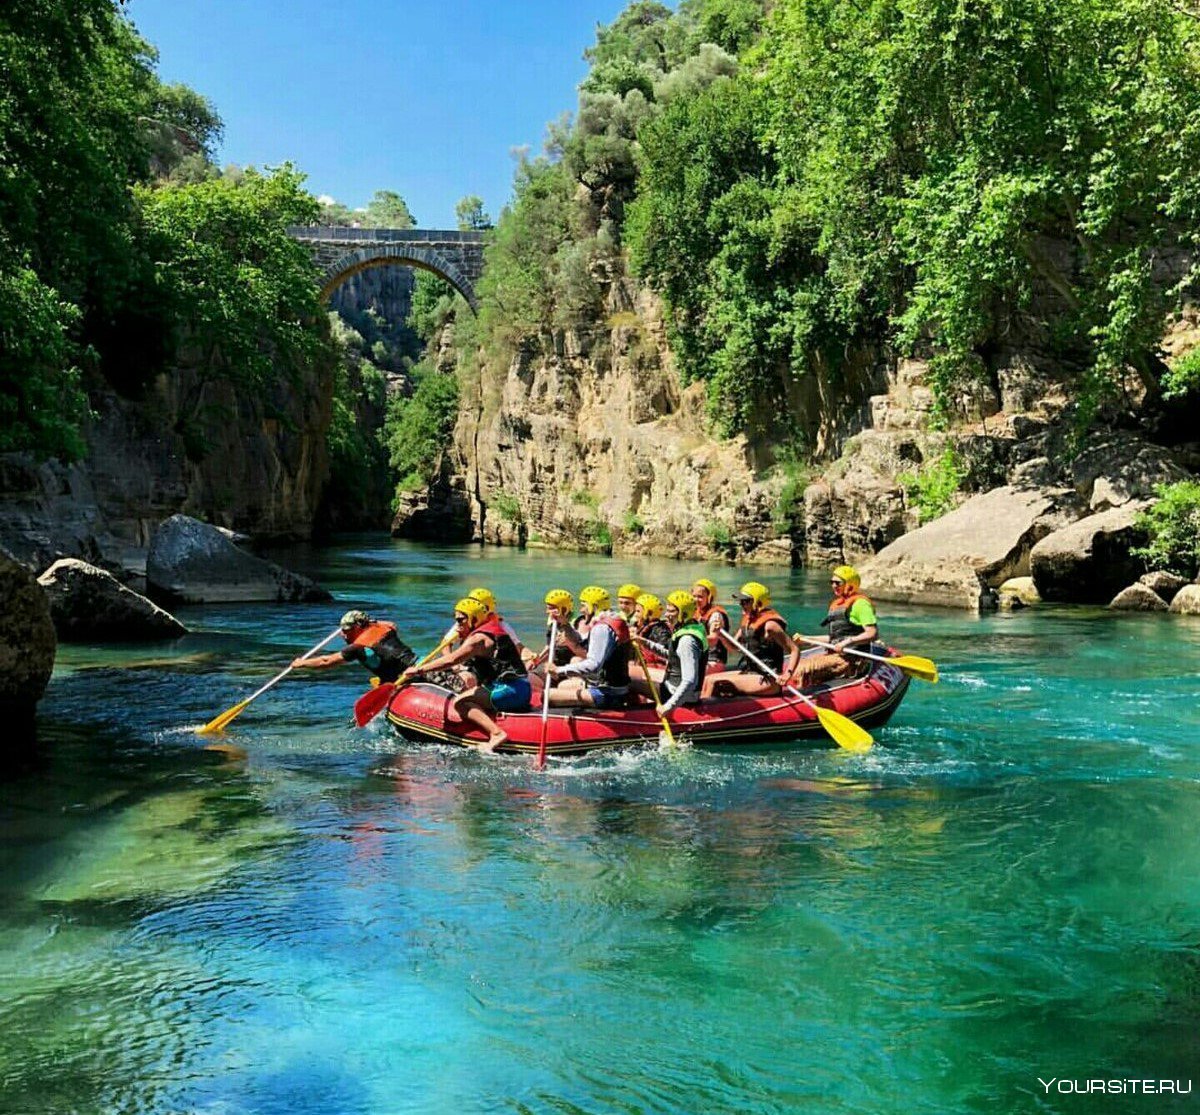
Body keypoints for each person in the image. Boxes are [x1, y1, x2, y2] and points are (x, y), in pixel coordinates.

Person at [399, 597, 531, 753]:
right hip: (519, 688)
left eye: (461, 620)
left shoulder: (478, 639)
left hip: (511, 690)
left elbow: (452, 659)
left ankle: (497, 733)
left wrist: (419, 670)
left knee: (460, 702)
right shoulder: (490, 629)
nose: (457, 625)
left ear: (473, 619)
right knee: (470, 689)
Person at [702, 581, 800, 698]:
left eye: (746, 601)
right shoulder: (748, 621)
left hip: (767, 678)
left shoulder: (770, 625)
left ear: (758, 603)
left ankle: (705, 713)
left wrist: (787, 674)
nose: (741, 604)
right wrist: (720, 635)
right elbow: (733, 648)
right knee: (707, 679)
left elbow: (794, 650)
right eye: (741, 601)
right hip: (750, 672)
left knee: (715, 683)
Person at [792, 565, 879, 687]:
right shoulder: (838, 604)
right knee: (795, 665)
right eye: (832, 582)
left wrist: (846, 643)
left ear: (849, 584)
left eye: (837, 583)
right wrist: (807, 638)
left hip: (853, 660)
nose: (833, 586)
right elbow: (835, 638)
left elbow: (872, 633)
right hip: (836, 655)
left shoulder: (861, 604)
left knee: (802, 669)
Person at [547, 585, 632, 708]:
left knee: (547, 695)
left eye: (584, 605)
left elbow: (593, 665)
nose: (581, 610)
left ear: (595, 607)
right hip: (610, 687)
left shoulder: (601, 629)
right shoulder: (610, 620)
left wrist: (559, 670)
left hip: (608, 693)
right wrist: (564, 623)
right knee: (562, 686)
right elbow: (582, 641)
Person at [291, 610, 416, 682]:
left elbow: (326, 661)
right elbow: (392, 624)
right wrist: (372, 621)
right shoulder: (386, 628)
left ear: (357, 627)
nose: (342, 634)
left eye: (346, 630)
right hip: (416, 663)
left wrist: (302, 663)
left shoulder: (357, 647)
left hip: (405, 676)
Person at [656, 591, 709, 715]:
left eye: (671, 611)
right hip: (672, 687)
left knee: (633, 683)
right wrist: (643, 643)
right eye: (667, 610)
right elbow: (673, 656)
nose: (666, 614)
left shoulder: (687, 641)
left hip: (679, 694)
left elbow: (689, 681)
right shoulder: (690, 627)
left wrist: (668, 707)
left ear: (683, 614)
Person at [467, 587, 528, 660]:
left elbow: (519, 647)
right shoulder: (463, 623)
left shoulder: (502, 626)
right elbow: (449, 642)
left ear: (486, 608)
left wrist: (531, 656)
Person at [691, 578, 731, 665]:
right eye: (694, 596)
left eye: (700, 597)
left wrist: (690, 639)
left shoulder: (715, 615)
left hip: (713, 659)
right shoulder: (695, 613)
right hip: (699, 656)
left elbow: (713, 639)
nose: (696, 599)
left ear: (710, 598)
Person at [631, 592, 673, 667]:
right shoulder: (639, 627)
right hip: (645, 667)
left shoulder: (660, 630)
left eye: (638, 611)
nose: (635, 615)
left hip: (657, 670)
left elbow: (665, 652)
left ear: (649, 613)